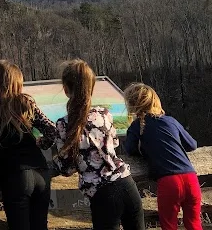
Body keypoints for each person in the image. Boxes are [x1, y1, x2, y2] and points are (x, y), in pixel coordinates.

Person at [0, 60, 57, 230]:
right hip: (41, 172)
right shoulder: (27, 104)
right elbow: (51, 129)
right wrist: (42, 143)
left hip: (16, 174)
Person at [52, 60, 144, 230]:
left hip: (102, 195)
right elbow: (114, 143)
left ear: (66, 89)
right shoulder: (104, 113)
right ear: (91, 87)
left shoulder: (64, 125)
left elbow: (66, 168)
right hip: (127, 184)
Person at [124, 83, 201, 230]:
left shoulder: (136, 127)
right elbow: (192, 144)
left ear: (133, 106)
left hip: (168, 181)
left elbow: (129, 149)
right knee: (194, 224)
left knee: (169, 225)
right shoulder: (170, 121)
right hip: (191, 178)